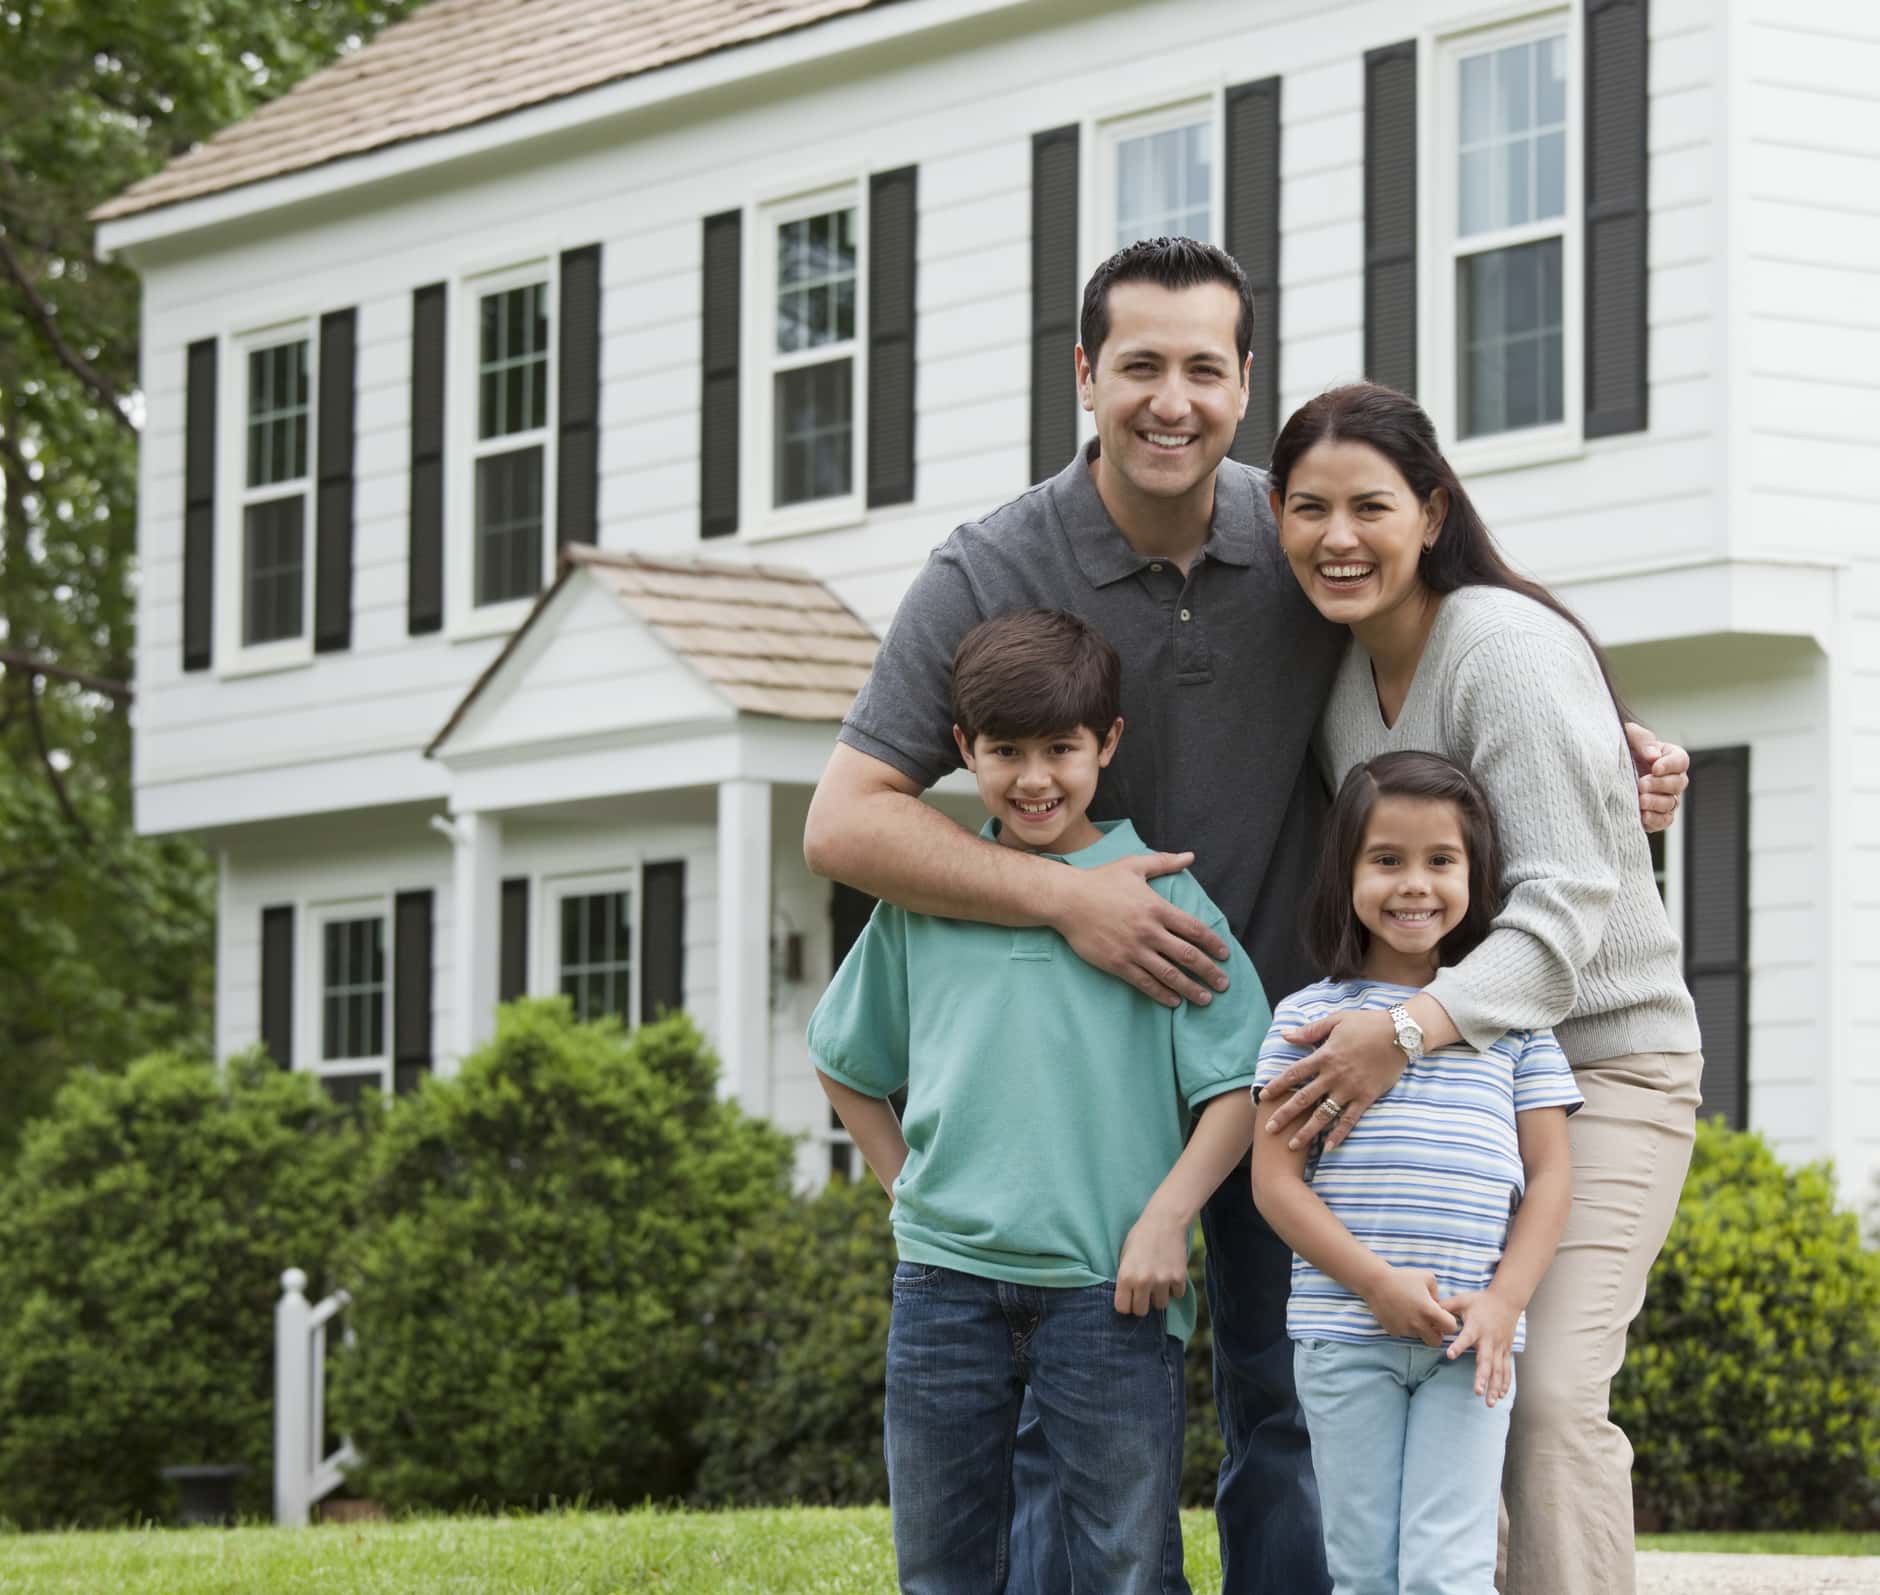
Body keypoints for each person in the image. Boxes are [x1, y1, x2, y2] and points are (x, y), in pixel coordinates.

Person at [802, 236, 1686, 1595]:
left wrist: (1603, 749)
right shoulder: (989, 567)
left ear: (1243, 381)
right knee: (1074, 1427)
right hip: (1092, 1079)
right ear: (1085, 376)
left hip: (1315, 1065)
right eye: (1140, 364)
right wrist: (1066, 899)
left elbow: (1460, 635)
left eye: (1204, 368)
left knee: (1304, 1407)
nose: (1173, 399)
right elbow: (845, 821)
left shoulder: (1301, 533)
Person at [1257, 382, 1704, 1595]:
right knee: (1455, 1374)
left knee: (1546, 1387)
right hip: (1449, 1070)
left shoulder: (1500, 646)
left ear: (1432, 510)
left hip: (1601, 1061)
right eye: (1306, 508)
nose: (1335, 535)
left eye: (1369, 506)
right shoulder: (1344, 676)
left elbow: (1563, 909)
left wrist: (1396, 1031)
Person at [808, 609, 1266, 1595]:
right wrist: (901, 1188)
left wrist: (1165, 1217)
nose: (1033, 779)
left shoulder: (1169, 906)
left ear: (1106, 742)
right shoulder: (926, 901)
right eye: (1003, 751)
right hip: (942, 1289)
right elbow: (843, 1059)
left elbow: (1237, 1087)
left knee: (1127, 1565)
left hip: (1111, 1290)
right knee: (938, 1567)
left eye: (1060, 747)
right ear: (962, 748)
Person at [1251, 750, 1581, 1595]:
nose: (1416, 885)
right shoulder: (1306, 1019)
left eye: (1442, 860)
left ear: (1475, 873)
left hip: (1471, 1340)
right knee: (1363, 1572)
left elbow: (1549, 1178)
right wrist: (1376, 1285)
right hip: (1344, 1334)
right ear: (1347, 871)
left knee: (1449, 1572)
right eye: (1387, 859)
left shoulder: (1513, 1026)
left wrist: (1506, 1301)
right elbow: (1275, 1183)